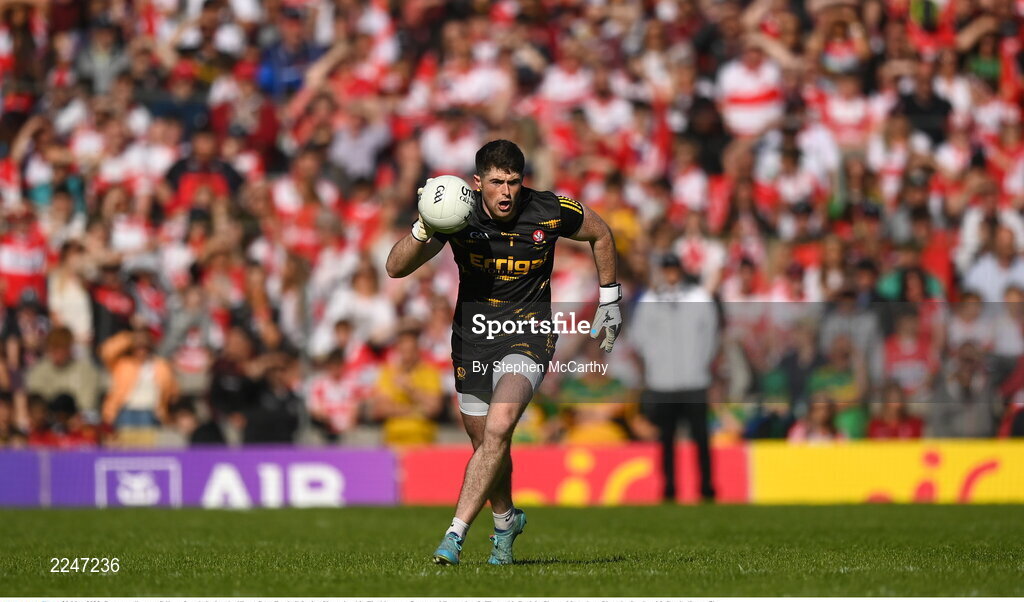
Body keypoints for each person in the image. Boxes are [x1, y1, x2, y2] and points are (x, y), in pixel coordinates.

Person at [385, 140, 620, 565]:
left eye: (513, 182)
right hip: (472, 337)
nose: (506, 192)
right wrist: (424, 227)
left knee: (499, 425)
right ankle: (506, 519)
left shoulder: (550, 209)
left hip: (527, 333)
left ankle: (454, 536)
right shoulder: (458, 214)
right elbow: (395, 267)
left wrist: (610, 299)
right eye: (496, 182)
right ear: (478, 184)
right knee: (485, 442)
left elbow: (601, 232)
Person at [630, 254, 719, 502]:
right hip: (663, 381)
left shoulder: (699, 297)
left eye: (674, 268)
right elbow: (639, 338)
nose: (671, 274)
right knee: (666, 438)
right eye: (666, 268)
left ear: (680, 270)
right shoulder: (650, 300)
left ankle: (707, 487)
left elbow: (711, 336)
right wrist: (653, 367)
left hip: (694, 379)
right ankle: (669, 487)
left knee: (701, 437)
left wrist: (702, 364)